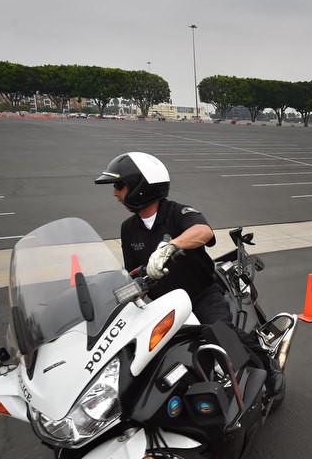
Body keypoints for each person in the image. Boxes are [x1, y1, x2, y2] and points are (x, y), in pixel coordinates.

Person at [94, 151, 282, 392]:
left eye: (119, 186)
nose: (115, 193)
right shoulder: (129, 228)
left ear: (141, 187)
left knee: (221, 334)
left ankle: (268, 368)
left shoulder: (177, 212)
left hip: (201, 295)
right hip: (164, 305)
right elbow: (132, 274)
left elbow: (204, 232)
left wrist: (170, 247)